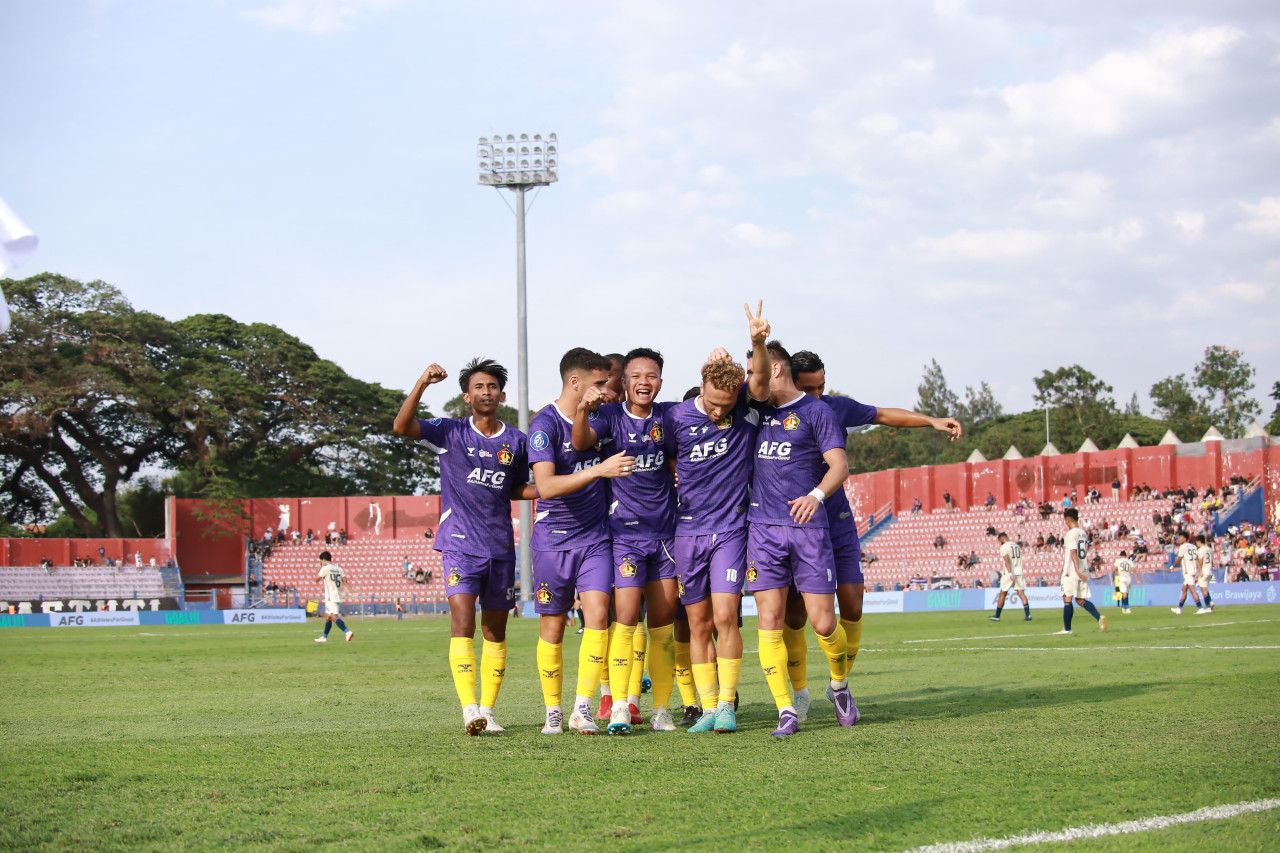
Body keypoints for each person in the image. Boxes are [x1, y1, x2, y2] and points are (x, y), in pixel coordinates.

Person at [779, 348, 962, 727]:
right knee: (795, 616)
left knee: (853, 604)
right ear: (790, 383)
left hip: (837, 520)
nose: (816, 396)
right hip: (793, 523)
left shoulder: (834, 408)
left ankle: (839, 683)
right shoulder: (774, 414)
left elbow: (882, 415)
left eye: (821, 387)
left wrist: (931, 420)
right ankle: (799, 693)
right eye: (808, 388)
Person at [392, 357, 538, 734]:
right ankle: (468, 708)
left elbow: (517, 488)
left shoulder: (517, 442)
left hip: (501, 547)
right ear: (466, 396)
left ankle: (488, 711)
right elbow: (401, 426)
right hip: (458, 544)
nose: (486, 392)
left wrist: (553, 490)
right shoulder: (450, 432)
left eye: (492, 386)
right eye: (479, 387)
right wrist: (423, 381)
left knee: (495, 631)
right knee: (463, 621)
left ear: (501, 395)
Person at [663, 302, 772, 734]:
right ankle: (707, 708)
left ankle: (727, 704)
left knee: (726, 617)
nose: (717, 411)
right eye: (712, 402)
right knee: (697, 622)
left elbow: (760, 378)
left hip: (730, 530)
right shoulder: (676, 416)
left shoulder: (744, 407)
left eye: (726, 405)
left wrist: (757, 343)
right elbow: (668, 458)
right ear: (701, 385)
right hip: (687, 533)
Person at [745, 335, 856, 736]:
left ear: (775, 368)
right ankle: (785, 710)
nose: (749, 379)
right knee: (769, 622)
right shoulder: (754, 411)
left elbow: (838, 466)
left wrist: (815, 495)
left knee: (824, 623)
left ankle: (840, 686)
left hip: (809, 530)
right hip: (763, 530)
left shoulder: (815, 411)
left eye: (754, 369)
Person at [571, 347, 681, 734]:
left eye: (651, 376)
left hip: (665, 536)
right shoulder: (611, 416)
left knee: (663, 625)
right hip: (625, 537)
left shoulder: (669, 417)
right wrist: (583, 409)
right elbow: (582, 443)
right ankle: (619, 704)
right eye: (636, 376)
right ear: (625, 381)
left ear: (660, 382)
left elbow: (677, 456)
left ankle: (662, 709)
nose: (644, 383)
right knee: (626, 618)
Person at [528, 348, 634, 735]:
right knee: (553, 628)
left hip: (595, 538)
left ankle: (582, 707)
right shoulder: (543, 425)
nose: (608, 390)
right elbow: (546, 486)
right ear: (576, 383)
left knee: (598, 618)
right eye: (599, 383)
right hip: (553, 541)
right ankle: (553, 710)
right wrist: (600, 471)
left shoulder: (600, 420)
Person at [1054, 508, 1107, 635]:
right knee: (1080, 599)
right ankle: (1099, 618)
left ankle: (1067, 629)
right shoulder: (1083, 533)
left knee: (1067, 599)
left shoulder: (1070, 534)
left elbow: (1073, 551)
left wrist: (1076, 569)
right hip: (1083, 569)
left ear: (1067, 520)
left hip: (1072, 570)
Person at [314, 551, 355, 643]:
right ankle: (324, 637)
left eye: (321, 561)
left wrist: (319, 569)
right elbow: (345, 582)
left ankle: (347, 631)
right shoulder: (339, 569)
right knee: (328, 617)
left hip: (330, 597)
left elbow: (316, 580)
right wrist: (352, 592)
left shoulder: (325, 569)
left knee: (333, 617)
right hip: (337, 595)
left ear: (323, 560)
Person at [989, 533, 1030, 621]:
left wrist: (1010, 574)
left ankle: (997, 616)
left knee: (1003, 593)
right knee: (1021, 593)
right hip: (1019, 571)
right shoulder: (1016, 546)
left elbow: (1007, 561)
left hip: (1009, 572)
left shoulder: (1004, 547)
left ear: (1001, 539)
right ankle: (1028, 615)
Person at [1171, 531, 1207, 615]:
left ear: (1185, 538)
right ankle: (1179, 608)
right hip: (1193, 569)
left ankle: (1200, 608)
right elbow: (1196, 559)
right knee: (1184, 589)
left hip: (1188, 571)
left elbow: (1179, 558)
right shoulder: (1194, 546)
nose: (1179, 539)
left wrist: (1172, 567)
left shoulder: (1183, 547)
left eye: (1180, 537)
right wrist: (1199, 570)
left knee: (1192, 590)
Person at [1196, 534, 1215, 613]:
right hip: (1210, 571)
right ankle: (1210, 602)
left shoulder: (1201, 550)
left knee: (1203, 589)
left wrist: (1199, 571)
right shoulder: (1209, 549)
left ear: (1199, 542)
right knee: (1205, 589)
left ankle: (1209, 606)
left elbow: (1200, 561)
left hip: (1204, 571)